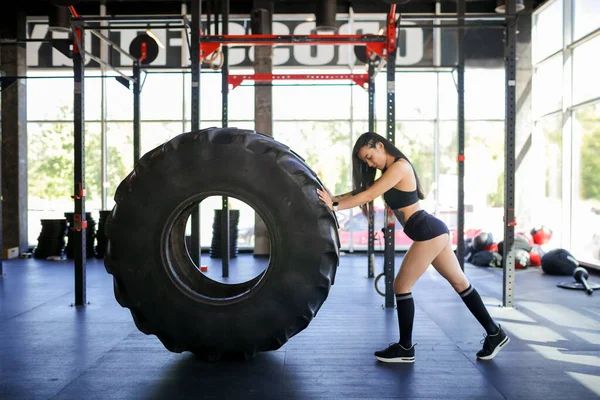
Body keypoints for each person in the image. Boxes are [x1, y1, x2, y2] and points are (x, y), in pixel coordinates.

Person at [317, 132, 510, 363]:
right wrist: (332, 198)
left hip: (428, 232)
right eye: (365, 161)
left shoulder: (400, 167)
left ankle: (405, 347)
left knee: (401, 285)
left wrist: (334, 205)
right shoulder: (388, 172)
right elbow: (360, 192)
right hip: (431, 232)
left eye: (369, 156)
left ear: (380, 145)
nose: (369, 163)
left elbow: (369, 194)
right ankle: (494, 332)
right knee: (460, 283)